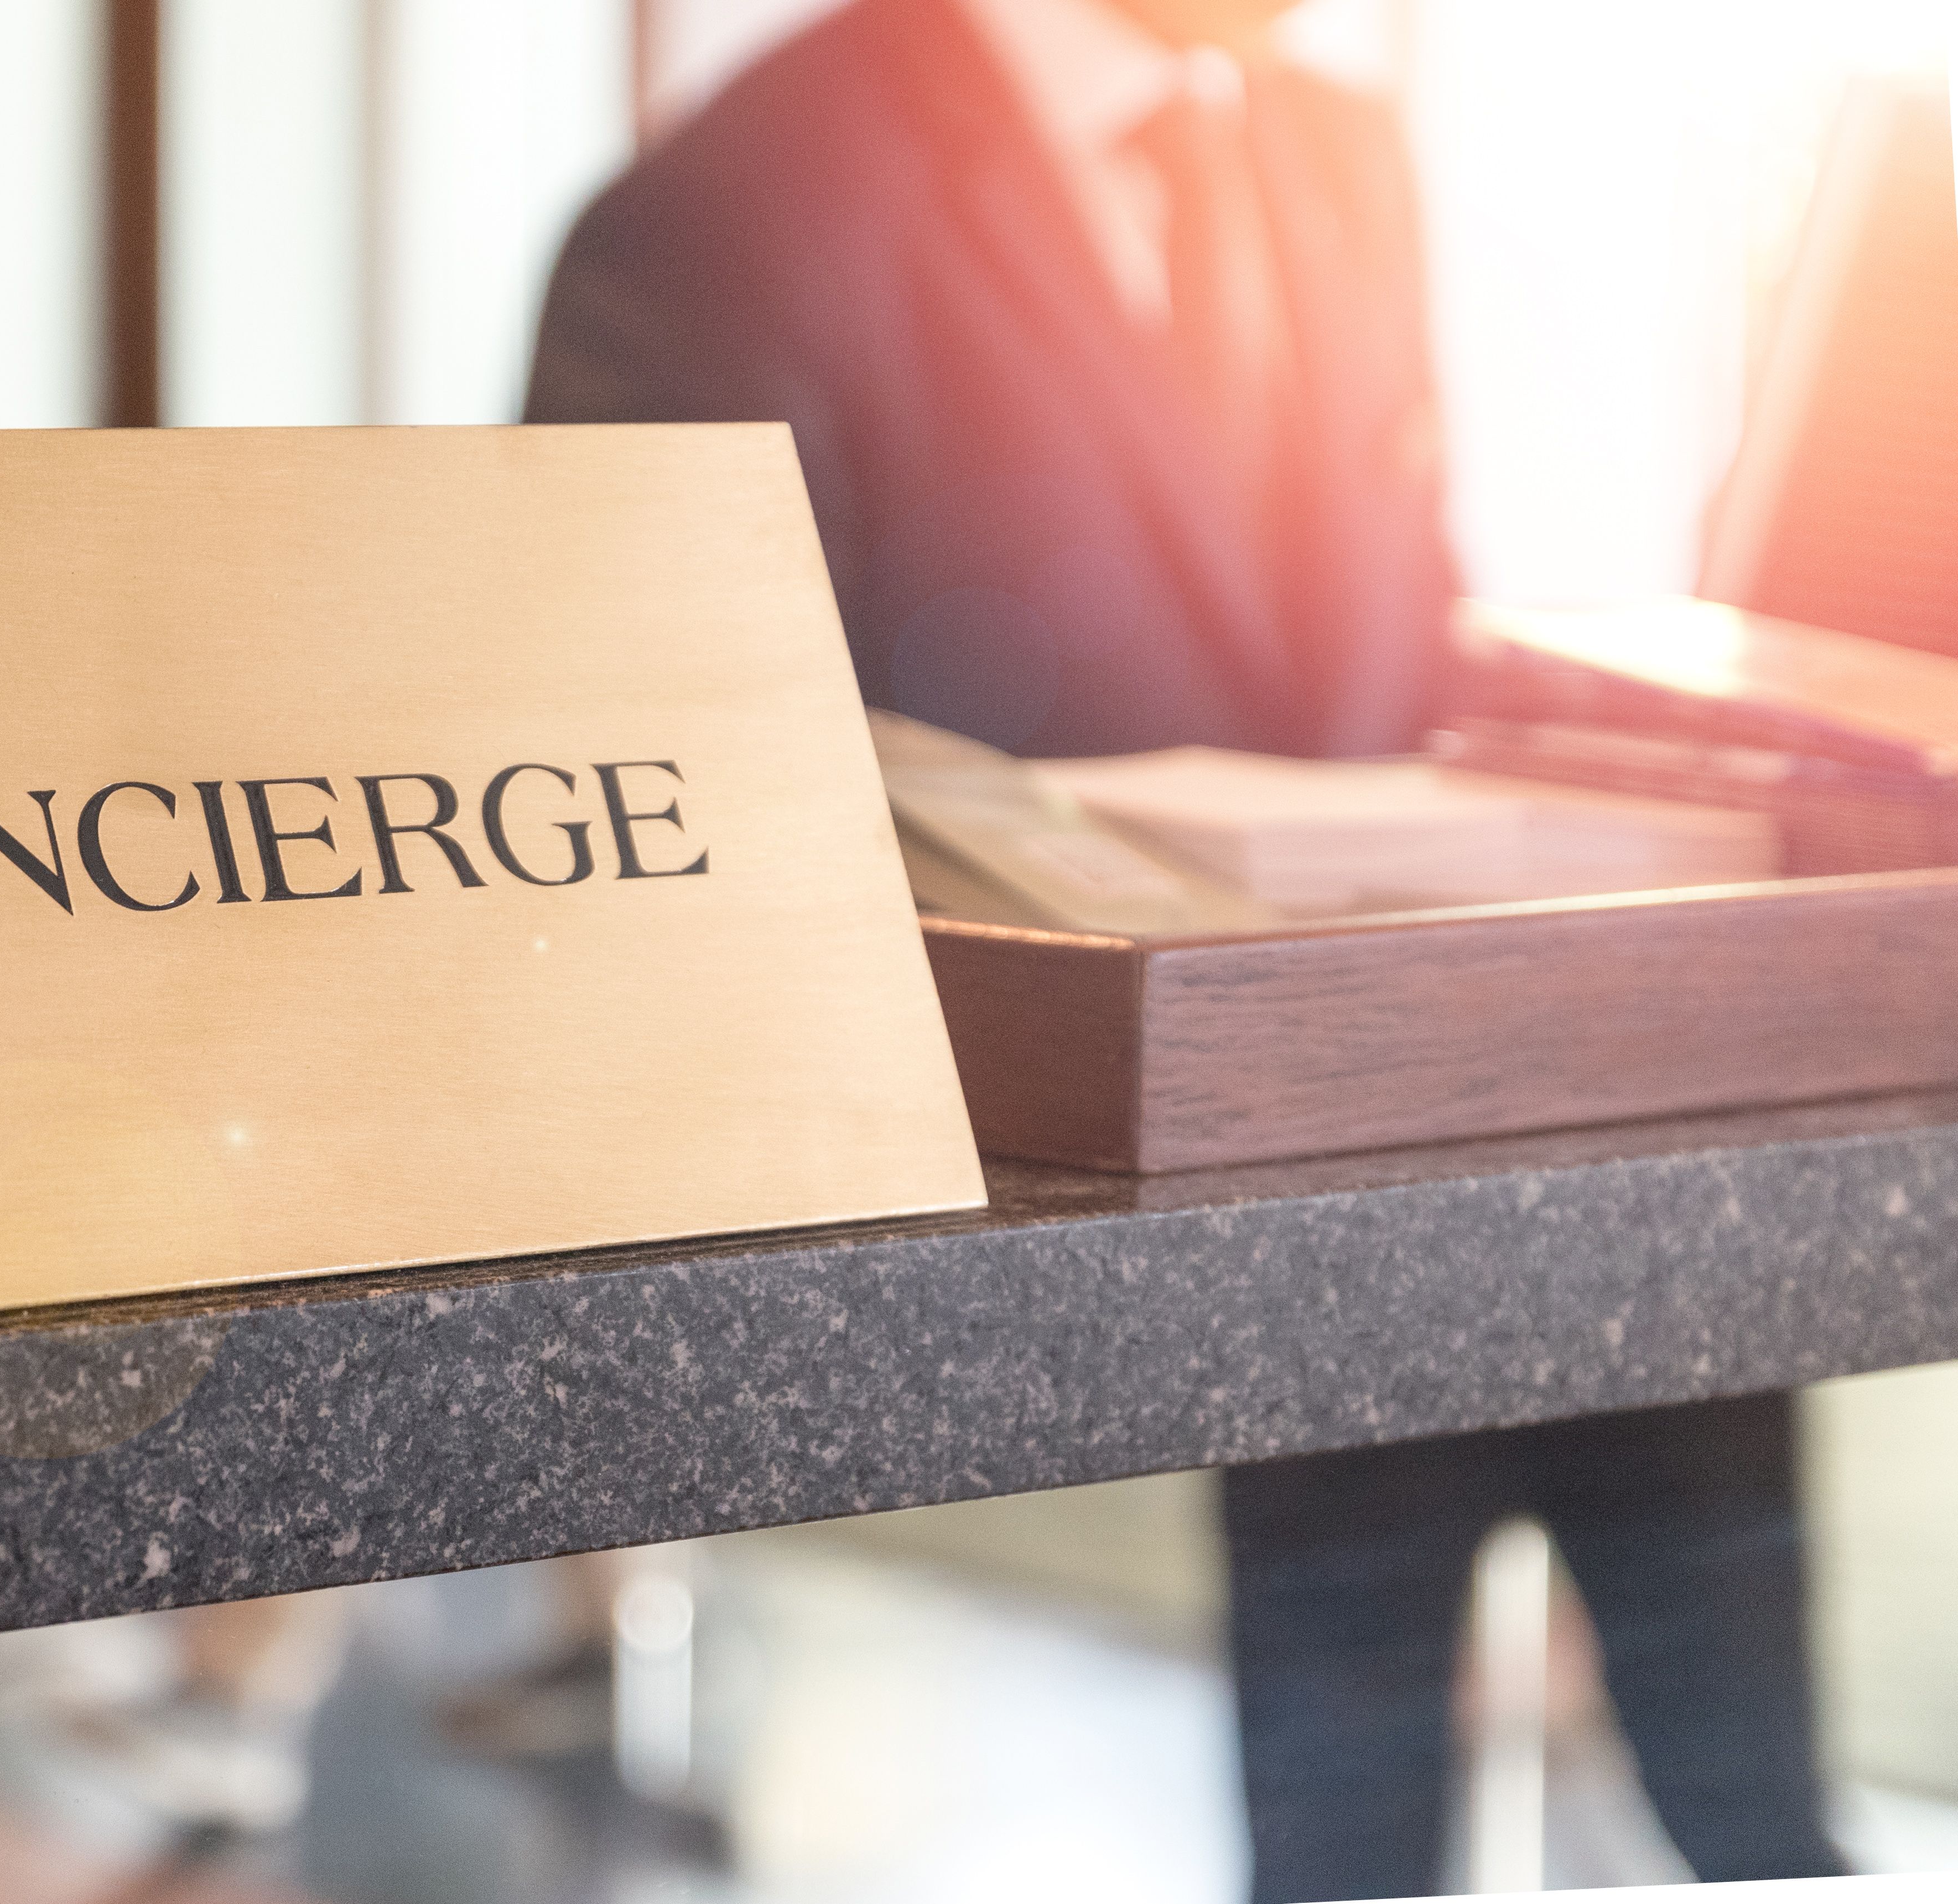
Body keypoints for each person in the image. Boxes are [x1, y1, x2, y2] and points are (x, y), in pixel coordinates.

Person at [523, 1, 1848, 1896]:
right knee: (1395, 1597)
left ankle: (1740, 1830)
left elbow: (1389, 607)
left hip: (1399, 1045)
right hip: (1071, 1070)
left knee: (1667, 1179)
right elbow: (655, 757)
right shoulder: (738, 200)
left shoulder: (1327, 144)